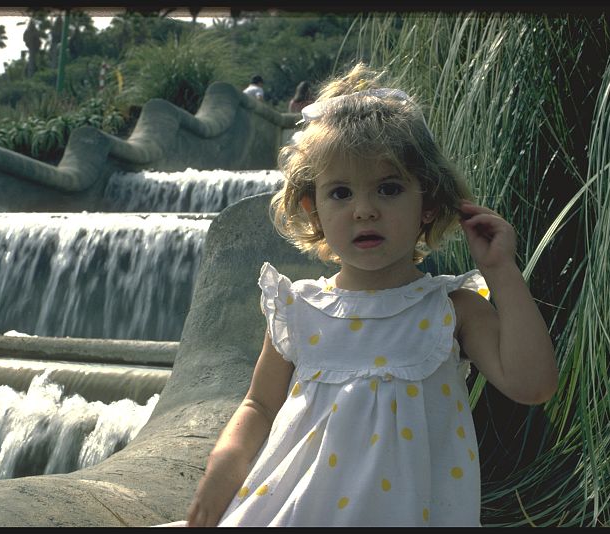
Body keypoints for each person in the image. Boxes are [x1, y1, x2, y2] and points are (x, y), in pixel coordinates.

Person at [185, 62, 558, 527]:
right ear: (313, 208)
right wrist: (220, 473)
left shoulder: (449, 310)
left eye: (389, 188)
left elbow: (534, 384)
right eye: (340, 193)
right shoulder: (299, 309)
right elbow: (259, 406)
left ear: (430, 204)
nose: (364, 210)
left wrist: (501, 271)